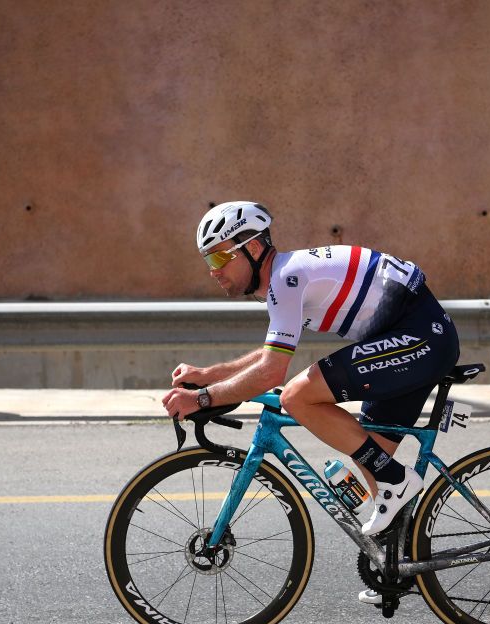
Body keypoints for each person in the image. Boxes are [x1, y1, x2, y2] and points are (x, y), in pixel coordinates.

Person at [162, 201, 460, 540]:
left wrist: (201, 399)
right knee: (370, 457)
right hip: (411, 338)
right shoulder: (287, 278)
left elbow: (271, 372)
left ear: (254, 247)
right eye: (207, 261)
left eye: (219, 257)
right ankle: (399, 566)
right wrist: (211, 375)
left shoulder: (287, 278)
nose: (213, 270)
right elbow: (271, 353)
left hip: (420, 337)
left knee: (297, 396)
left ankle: (398, 480)